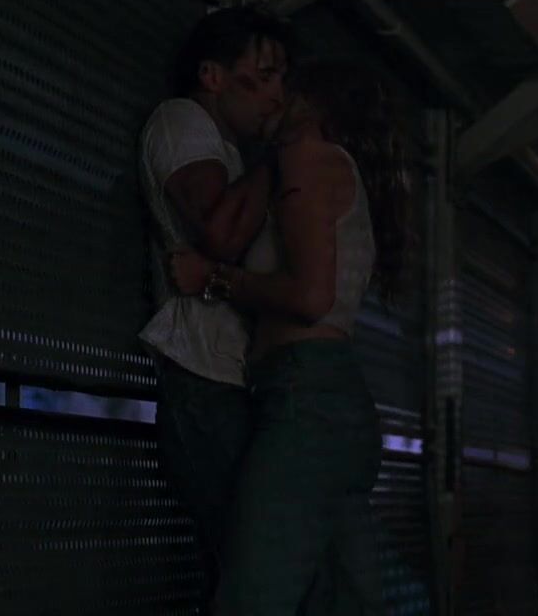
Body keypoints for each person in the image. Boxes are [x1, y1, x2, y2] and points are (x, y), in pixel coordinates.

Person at [170, 60, 411, 614]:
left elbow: (309, 298)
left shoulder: (308, 158)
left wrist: (210, 279)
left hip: (306, 404)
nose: (272, 96)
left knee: (251, 599)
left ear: (311, 101)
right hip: (333, 406)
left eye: (284, 84)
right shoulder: (325, 166)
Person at [137, 4, 293, 608]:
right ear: (212, 75)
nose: (277, 94)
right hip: (203, 378)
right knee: (244, 566)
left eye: (283, 79)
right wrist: (282, 155)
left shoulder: (230, 151)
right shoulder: (182, 122)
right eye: (265, 75)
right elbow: (217, 231)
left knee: (253, 563)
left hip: (229, 379)